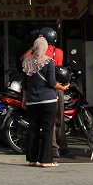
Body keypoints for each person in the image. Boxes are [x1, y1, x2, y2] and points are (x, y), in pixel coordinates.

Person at [22, 37, 68, 167]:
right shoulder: (49, 62)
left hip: (32, 101)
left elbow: (24, 85)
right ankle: (46, 161)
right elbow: (52, 83)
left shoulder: (26, 63)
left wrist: (25, 99)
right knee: (48, 130)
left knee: (33, 130)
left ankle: (32, 159)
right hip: (48, 100)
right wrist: (63, 87)